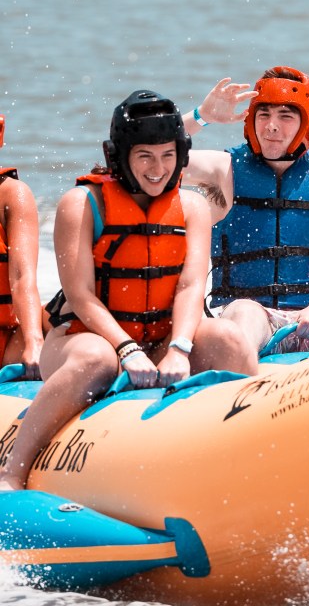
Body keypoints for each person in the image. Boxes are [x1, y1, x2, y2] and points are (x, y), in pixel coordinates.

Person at [0, 91, 256, 491]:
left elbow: (191, 286)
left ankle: (254, 454)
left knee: (228, 337)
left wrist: (180, 348)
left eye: (168, 156)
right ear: (121, 155)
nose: (158, 168)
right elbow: (81, 295)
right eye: (145, 157)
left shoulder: (192, 208)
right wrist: (125, 349)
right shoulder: (81, 204)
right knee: (94, 359)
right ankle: (13, 471)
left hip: (159, 342)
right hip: (86, 340)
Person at [181, 69, 309, 356]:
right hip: (249, 312)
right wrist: (202, 116)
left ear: (308, 124)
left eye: (286, 116)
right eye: (263, 115)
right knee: (246, 317)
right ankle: (238, 383)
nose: (271, 126)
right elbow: (146, 158)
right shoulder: (223, 170)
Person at [0, 113, 45, 381]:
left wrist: (34, 341)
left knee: (64, 315)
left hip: (8, 344)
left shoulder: (12, 194)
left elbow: (22, 278)